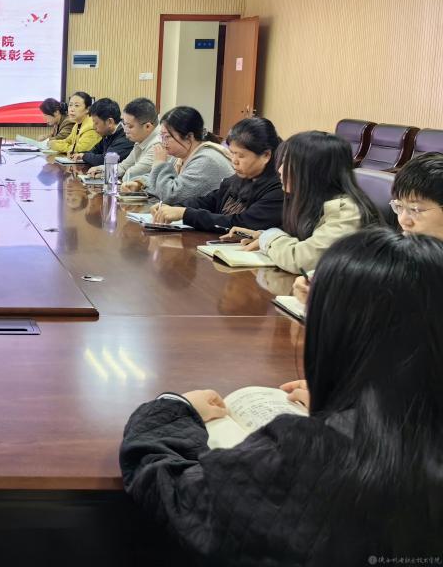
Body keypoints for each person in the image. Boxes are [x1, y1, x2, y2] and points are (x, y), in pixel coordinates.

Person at [119, 228, 443, 566]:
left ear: (336, 334)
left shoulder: (312, 452)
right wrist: (354, 401)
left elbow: (174, 492)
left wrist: (175, 408)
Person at [294, 150, 443, 302]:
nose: (403, 220)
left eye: (415, 210)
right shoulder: (403, 249)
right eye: (399, 207)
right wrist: (320, 283)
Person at [233, 131, 381, 274]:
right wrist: (263, 236)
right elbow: (303, 241)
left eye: (288, 163)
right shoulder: (314, 200)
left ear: (315, 171)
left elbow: (301, 261)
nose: (280, 170)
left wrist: (269, 238)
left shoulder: (347, 211)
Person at [152, 117, 283, 231]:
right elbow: (209, 201)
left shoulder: (278, 190)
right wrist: (174, 208)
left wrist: (185, 213)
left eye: (241, 156)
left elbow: (241, 224)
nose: (234, 161)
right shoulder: (238, 178)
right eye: (232, 153)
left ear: (266, 155)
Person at [125, 106, 232, 205]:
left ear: (189, 137)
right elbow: (162, 182)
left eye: (167, 137)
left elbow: (170, 196)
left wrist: (159, 164)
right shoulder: (180, 156)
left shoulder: (206, 160)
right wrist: (140, 184)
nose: (163, 142)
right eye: (161, 136)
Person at [88, 98, 161, 182]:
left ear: (147, 127)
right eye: (124, 124)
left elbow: (130, 175)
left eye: (130, 126)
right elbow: (123, 167)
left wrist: (108, 173)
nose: (125, 130)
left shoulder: (158, 144)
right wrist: (101, 170)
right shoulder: (141, 139)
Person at [72, 98, 134, 167]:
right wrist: (79, 154)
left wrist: (84, 156)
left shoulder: (126, 136)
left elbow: (106, 160)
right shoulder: (108, 133)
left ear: (110, 122)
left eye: (96, 123)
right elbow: (95, 151)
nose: (93, 127)